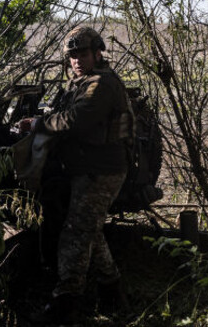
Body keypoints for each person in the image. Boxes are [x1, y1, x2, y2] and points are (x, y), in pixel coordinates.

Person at [22, 25, 133, 322]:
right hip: (88, 168)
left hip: (101, 171)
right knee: (89, 231)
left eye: (82, 53)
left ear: (97, 53)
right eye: (72, 55)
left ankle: (64, 304)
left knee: (75, 234)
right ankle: (112, 293)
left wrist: (37, 124)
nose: (77, 60)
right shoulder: (83, 83)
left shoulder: (101, 84)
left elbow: (77, 119)